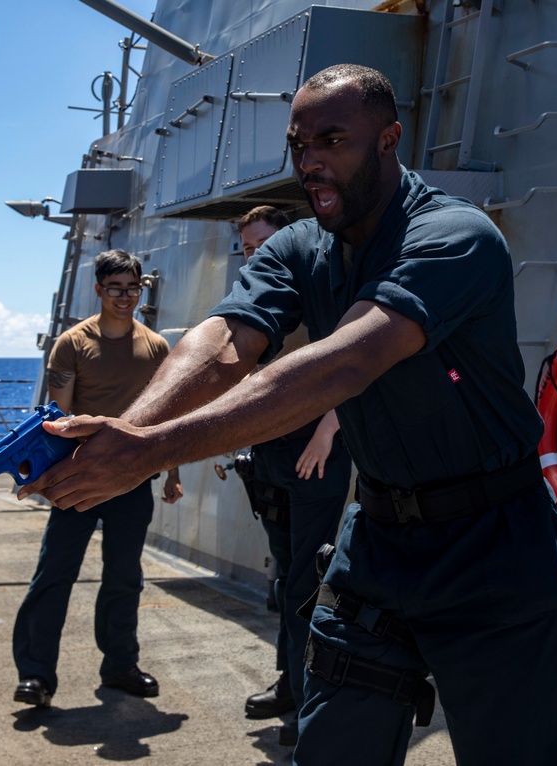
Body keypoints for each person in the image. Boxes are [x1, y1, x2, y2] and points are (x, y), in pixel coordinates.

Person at [18, 63, 557, 766]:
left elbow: (342, 363)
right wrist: (133, 431)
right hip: (377, 541)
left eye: (332, 141)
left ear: (387, 139)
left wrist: (150, 450)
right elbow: (226, 341)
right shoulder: (299, 245)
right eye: (298, 144)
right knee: (331, 750)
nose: (310, 161)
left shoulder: (455, 236)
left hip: (492, 547)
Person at [12, 249, 181, 709]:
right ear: (98, 289)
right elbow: (56, 422)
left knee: (125, 577)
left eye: (133, 288)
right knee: (55, 573)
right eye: (115, 288)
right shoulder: (72, 343)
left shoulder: (156, 347)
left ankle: (121, 665)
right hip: (78, 478)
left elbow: (165, 415)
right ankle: (35, 674)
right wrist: (45, 478)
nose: (125, 297)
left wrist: (172, 472)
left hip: (131, 479)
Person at [235, 206, 351, 746]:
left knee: (309, 583)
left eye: (262, 245)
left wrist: (329, 429)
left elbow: (355, 364)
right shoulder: (254, 297)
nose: (253, 256)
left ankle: (310, 709)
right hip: (271, 450)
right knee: (284, 580)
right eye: (246, 248)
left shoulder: (323, 282)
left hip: (316, 449)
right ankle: (290, 683)